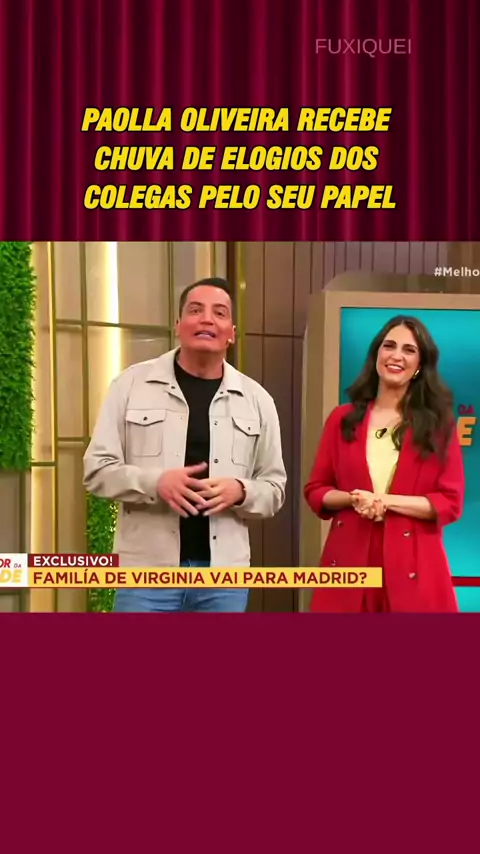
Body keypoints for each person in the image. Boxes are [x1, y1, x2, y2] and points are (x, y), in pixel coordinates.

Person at [83, 277, 286, 612]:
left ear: (231, 333)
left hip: (224, 580)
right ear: (178, 325)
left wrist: (240, 491)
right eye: (195, 310)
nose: (206, 319)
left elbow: (275, 488)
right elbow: (96, 471)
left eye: (219, 313)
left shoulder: (257, 400)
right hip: (146, 574)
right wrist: (155, 483)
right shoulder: (130, 385)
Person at [304, 315, 464, 613]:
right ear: (376, 354)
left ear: (420, 365)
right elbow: (316, 490)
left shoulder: (438, 426)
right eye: (389, 346)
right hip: (350, 563)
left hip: (414, 565)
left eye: (409, 350)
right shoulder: (342, 419)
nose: (396, 356)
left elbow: (450, 503)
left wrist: (384, 501)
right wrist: (354, 499)